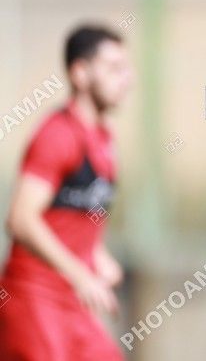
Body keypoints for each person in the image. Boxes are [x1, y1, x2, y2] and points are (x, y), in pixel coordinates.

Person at [0, 24, 133, 360]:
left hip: (73, 304)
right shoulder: (57, 135)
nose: (126, 79)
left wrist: (98, 257)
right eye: (114, 68)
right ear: (80, 73)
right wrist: (80, 275)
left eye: (126, 68)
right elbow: (21, 219)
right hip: (34, 300)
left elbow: (72, 215)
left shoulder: (103, 138)